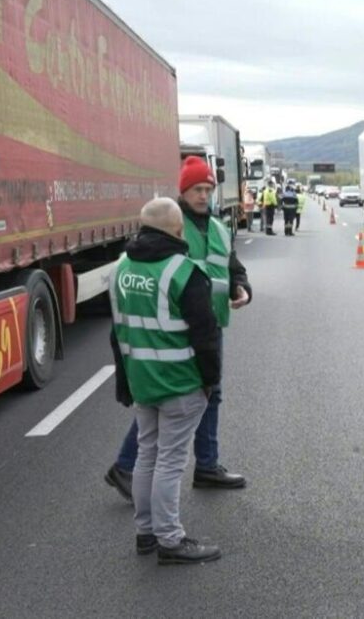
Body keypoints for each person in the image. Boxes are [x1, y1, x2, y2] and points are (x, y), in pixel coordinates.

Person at [105, 156, 251, 500]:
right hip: (175, 327)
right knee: (170, 402)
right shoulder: (170, 225)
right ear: (183, 192)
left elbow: (230, 265)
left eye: (208, 189)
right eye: (196, 189)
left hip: (209, 321)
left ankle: (206, 465)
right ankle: (127, 466)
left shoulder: (217, 227)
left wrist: (240, 286)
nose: (203, 195)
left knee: (207, 396)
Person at [109, 197, 221, 564]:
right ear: (177, 229)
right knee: (171, 463)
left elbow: (117, 332)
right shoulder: (183, 272)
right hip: (180, 383)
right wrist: (209, 383)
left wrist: (125, 383)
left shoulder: (121, 268)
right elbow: (206, 336)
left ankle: (146, 534)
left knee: (147, 456)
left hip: (143, 382)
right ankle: (170, 540)